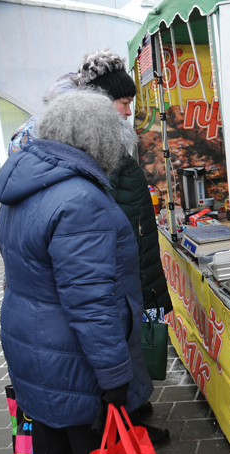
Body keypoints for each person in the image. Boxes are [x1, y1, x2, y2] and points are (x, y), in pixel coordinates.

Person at [0, 90, 153, 454]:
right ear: (101, 142)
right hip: (73, 358)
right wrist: (116, 376)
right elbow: (92, 304)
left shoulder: (26, 181)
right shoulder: (80, 199)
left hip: (32, 346)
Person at [77, 50, 174, 317]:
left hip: (135, 285)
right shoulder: (103, 155)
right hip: (126, 294)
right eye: (124, 103)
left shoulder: (113, 151)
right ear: (102, 103)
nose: (129, 112)